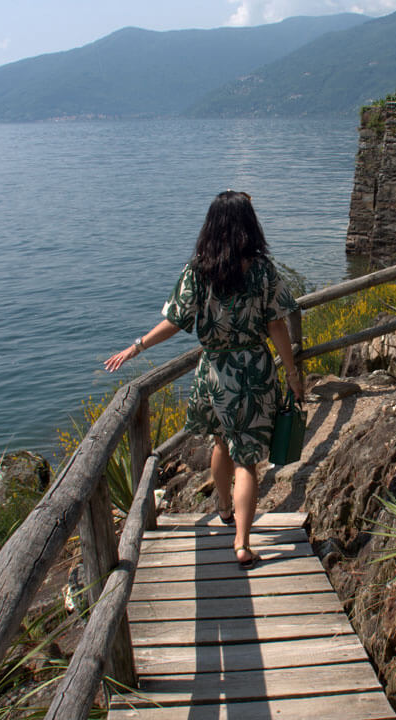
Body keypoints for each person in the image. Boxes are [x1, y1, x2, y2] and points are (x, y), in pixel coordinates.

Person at [104, 190, 303, 570]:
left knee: (220, 442)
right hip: (254, 373)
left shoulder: (199, 268)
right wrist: (291, 373)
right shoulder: (262, 270)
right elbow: (277, 324)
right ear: (249, 223)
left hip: (213, 372)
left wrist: (137, 346)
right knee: (248, 461)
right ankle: (242, 544)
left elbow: (176, 320)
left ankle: (223, 509)